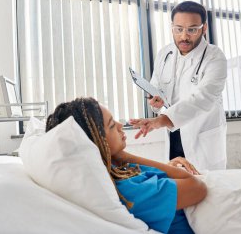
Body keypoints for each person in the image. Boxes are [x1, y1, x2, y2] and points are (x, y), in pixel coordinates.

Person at [45, 97, 207, 234]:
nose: (120, 125)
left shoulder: (115, 174)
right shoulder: (128, 191)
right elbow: (197, 187)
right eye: (110, 125)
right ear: (96, 143)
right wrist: (124, 157)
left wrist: (168, 169)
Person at [130, 1, 227, 171]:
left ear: (204, 28)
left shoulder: (215, 57)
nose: (184, 36)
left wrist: (161, 120)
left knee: (209, 188)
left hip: (202, 140)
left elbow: (204, 98)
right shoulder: (164, 54)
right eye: (179, 29)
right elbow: (156, 87)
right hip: (173, 137)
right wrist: (155, 102)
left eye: (192, 29)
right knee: (178, 186)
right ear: (172, 27)